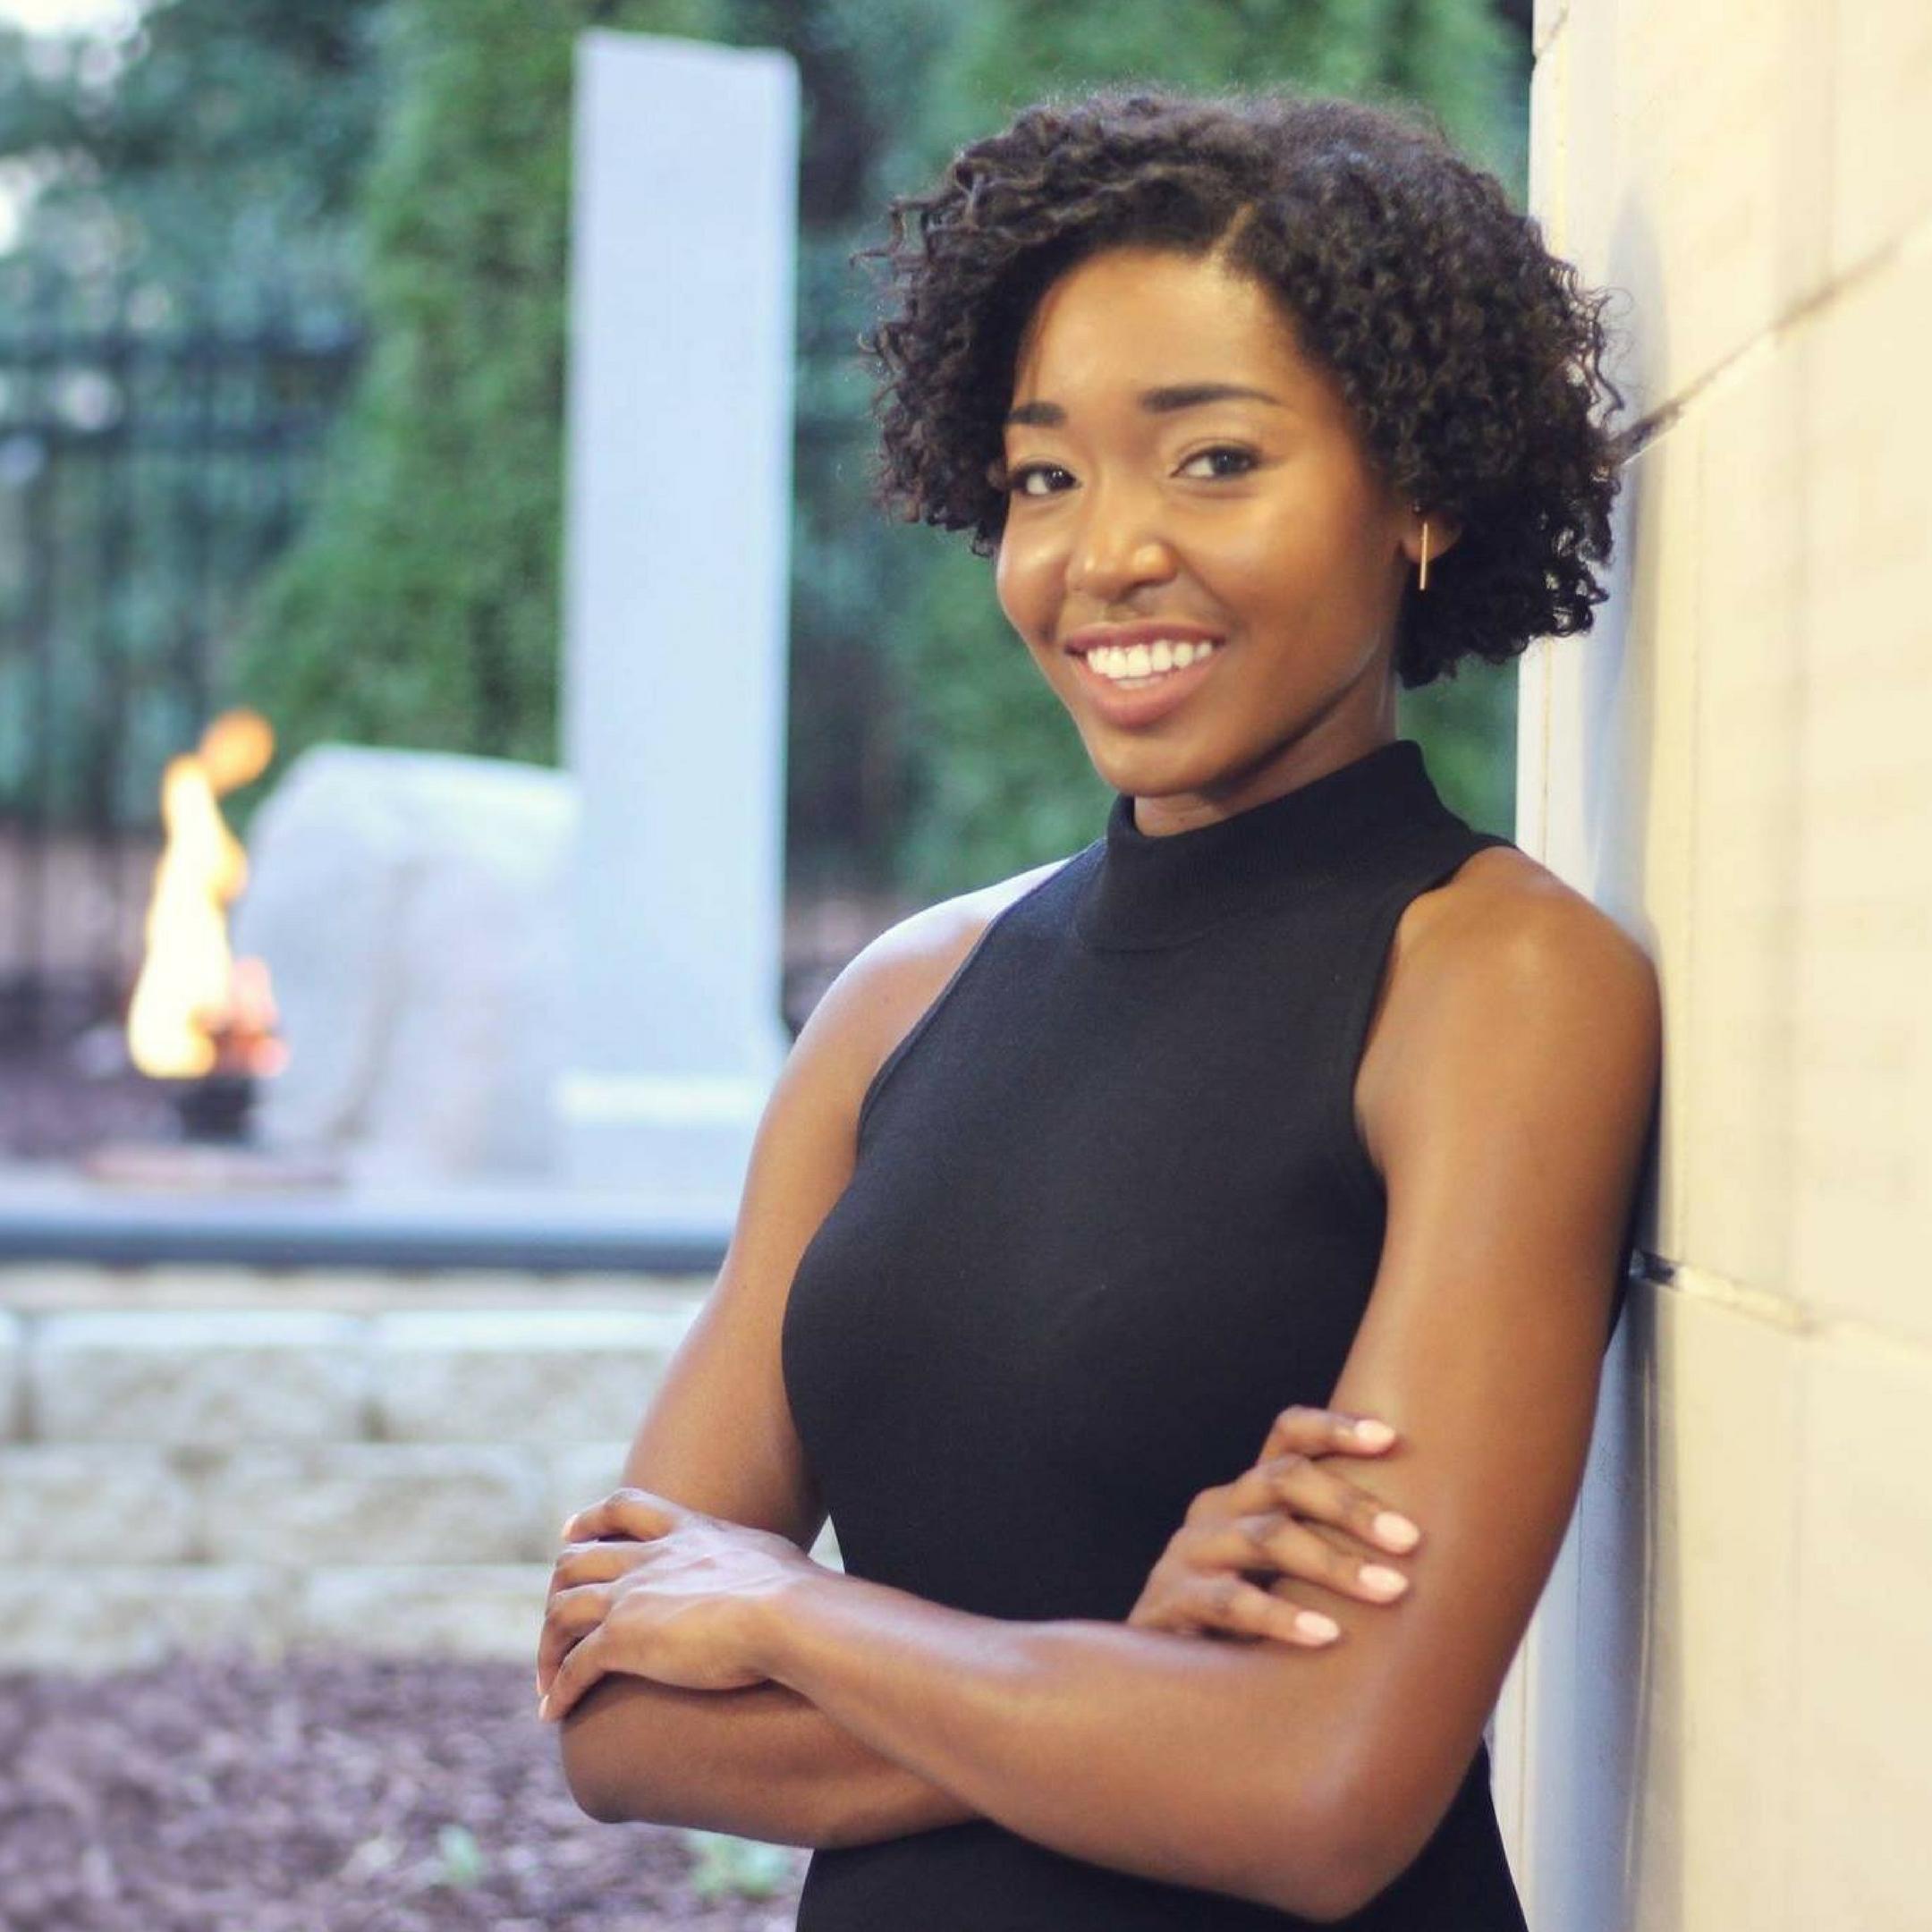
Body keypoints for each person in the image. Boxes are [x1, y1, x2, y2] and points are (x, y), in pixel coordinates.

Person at [537, 83, 1662, 1928]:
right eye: (1046, 477)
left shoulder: (1496, 984)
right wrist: (1126, 1666)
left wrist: (797, 1618)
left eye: (1214, 460)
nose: (1106, 553)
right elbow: (618, 1712)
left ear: (1423, 495)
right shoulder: (902, 1001)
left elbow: (1320, 1794)